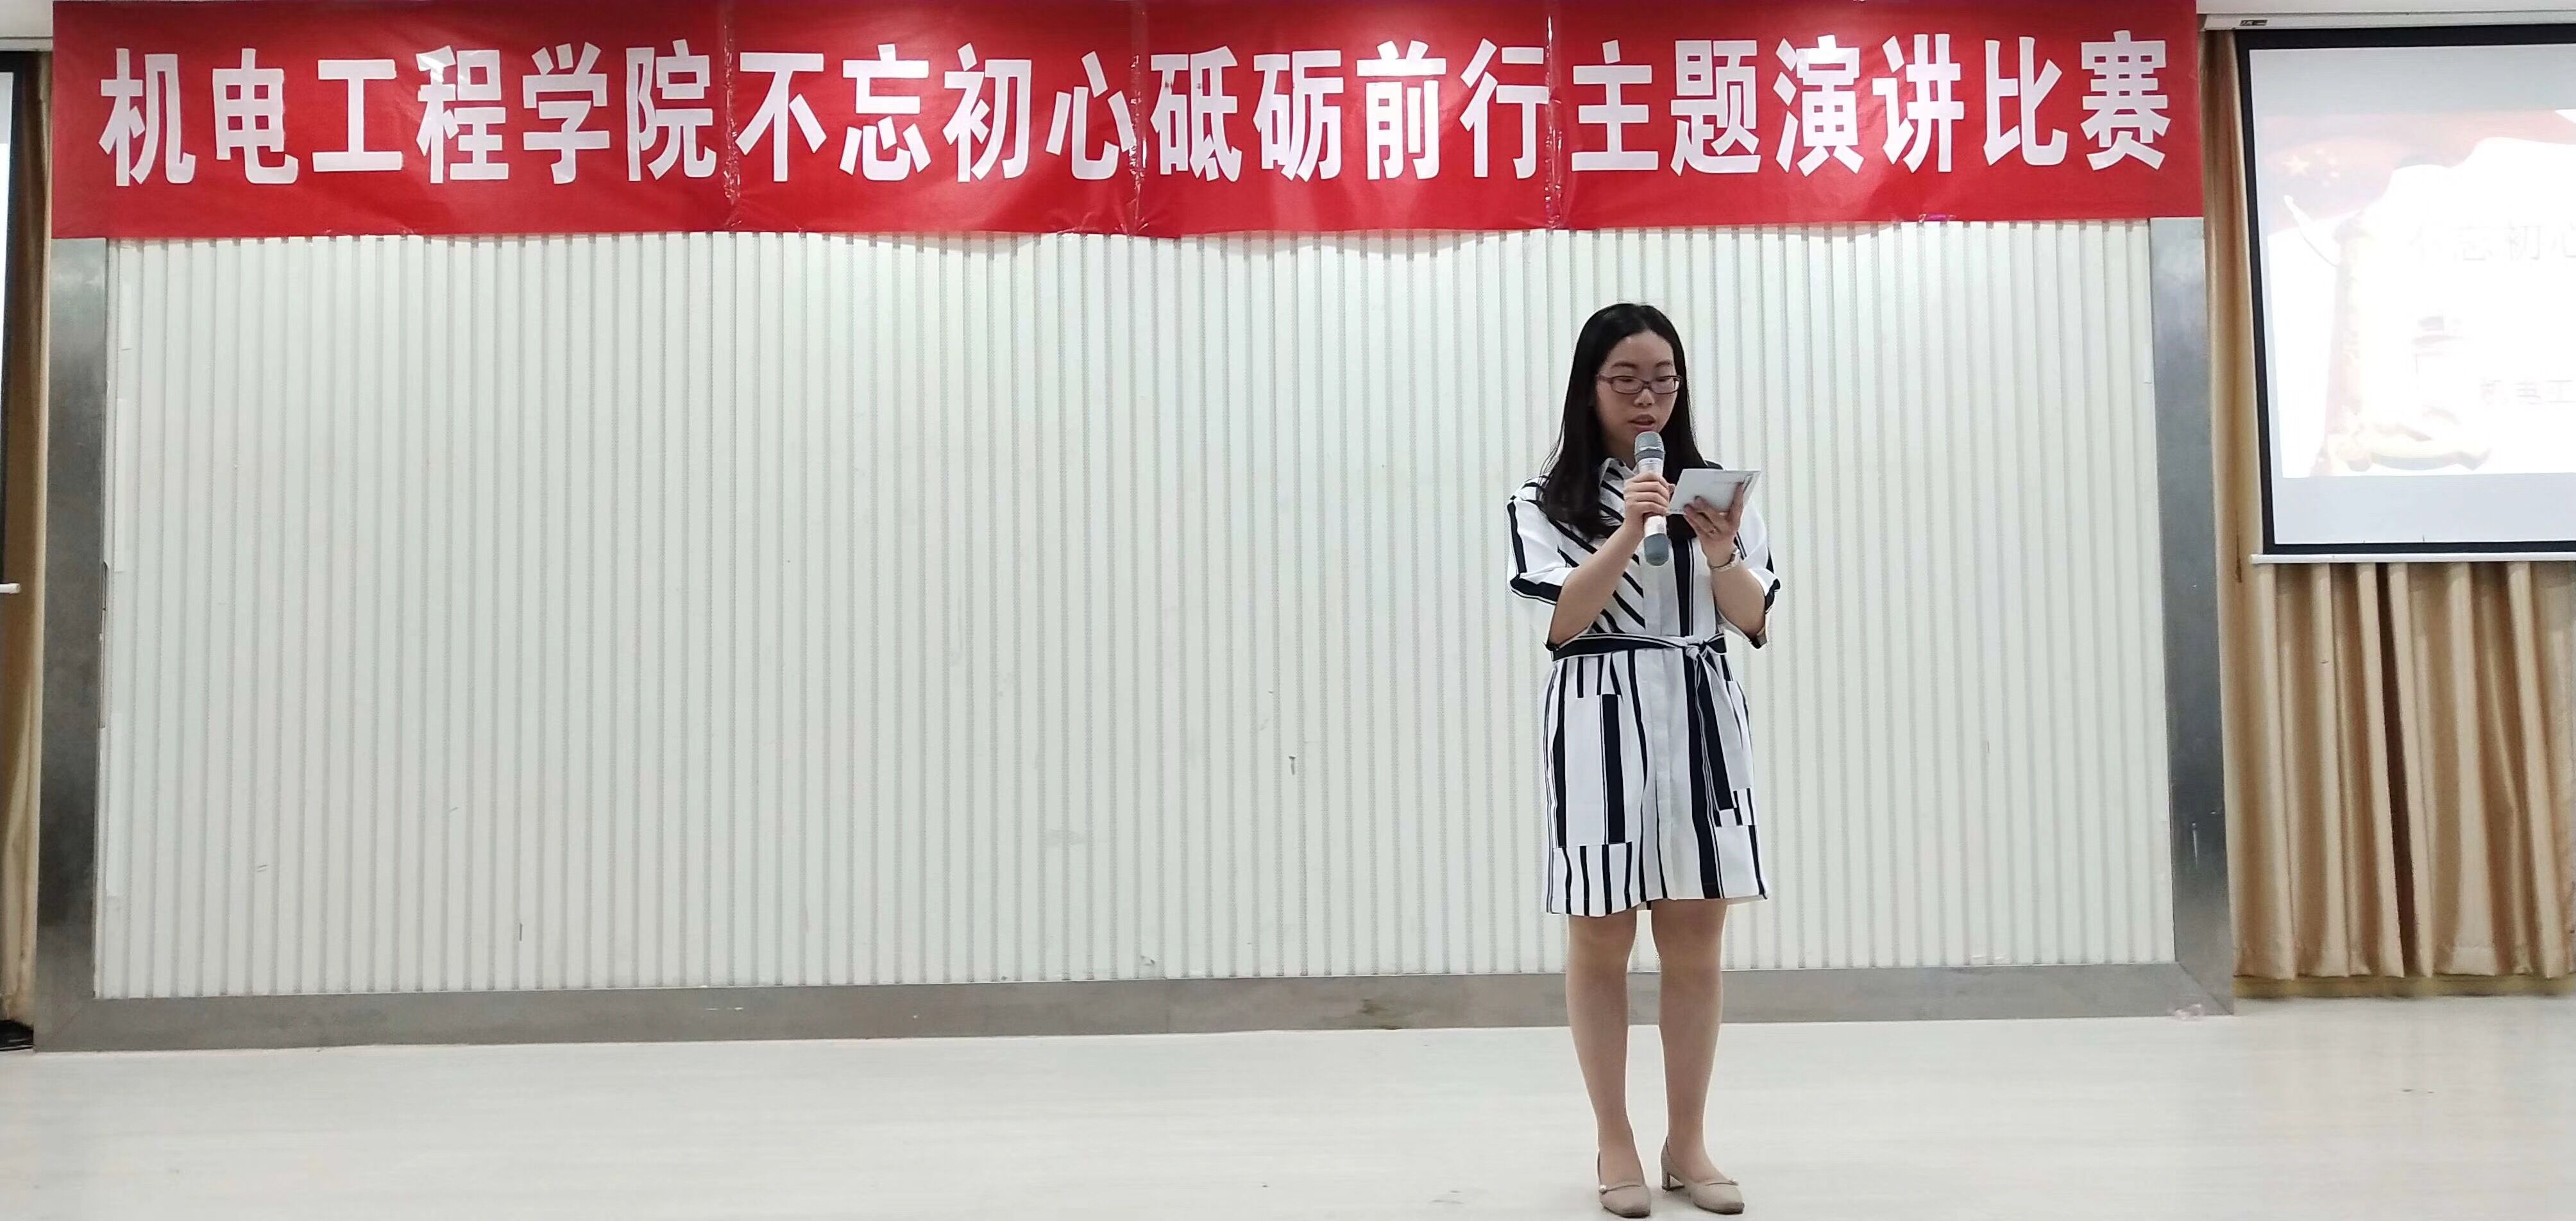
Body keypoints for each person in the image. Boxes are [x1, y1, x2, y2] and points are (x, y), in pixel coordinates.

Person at [1504, 303, 1780, 1217]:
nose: (1647, 398)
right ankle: (1614, 1139)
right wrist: (1629, 530)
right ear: (1589, 390)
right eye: (1625, 381)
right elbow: (1562, 619)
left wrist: (1721, 551)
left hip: (1700, 708)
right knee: (1601, 929)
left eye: (1663, 379)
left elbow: (1754, 618)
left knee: (1697, 931)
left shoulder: (1718, 494)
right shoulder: (1542, 503)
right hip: (1598, 713)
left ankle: (1688, 1141)